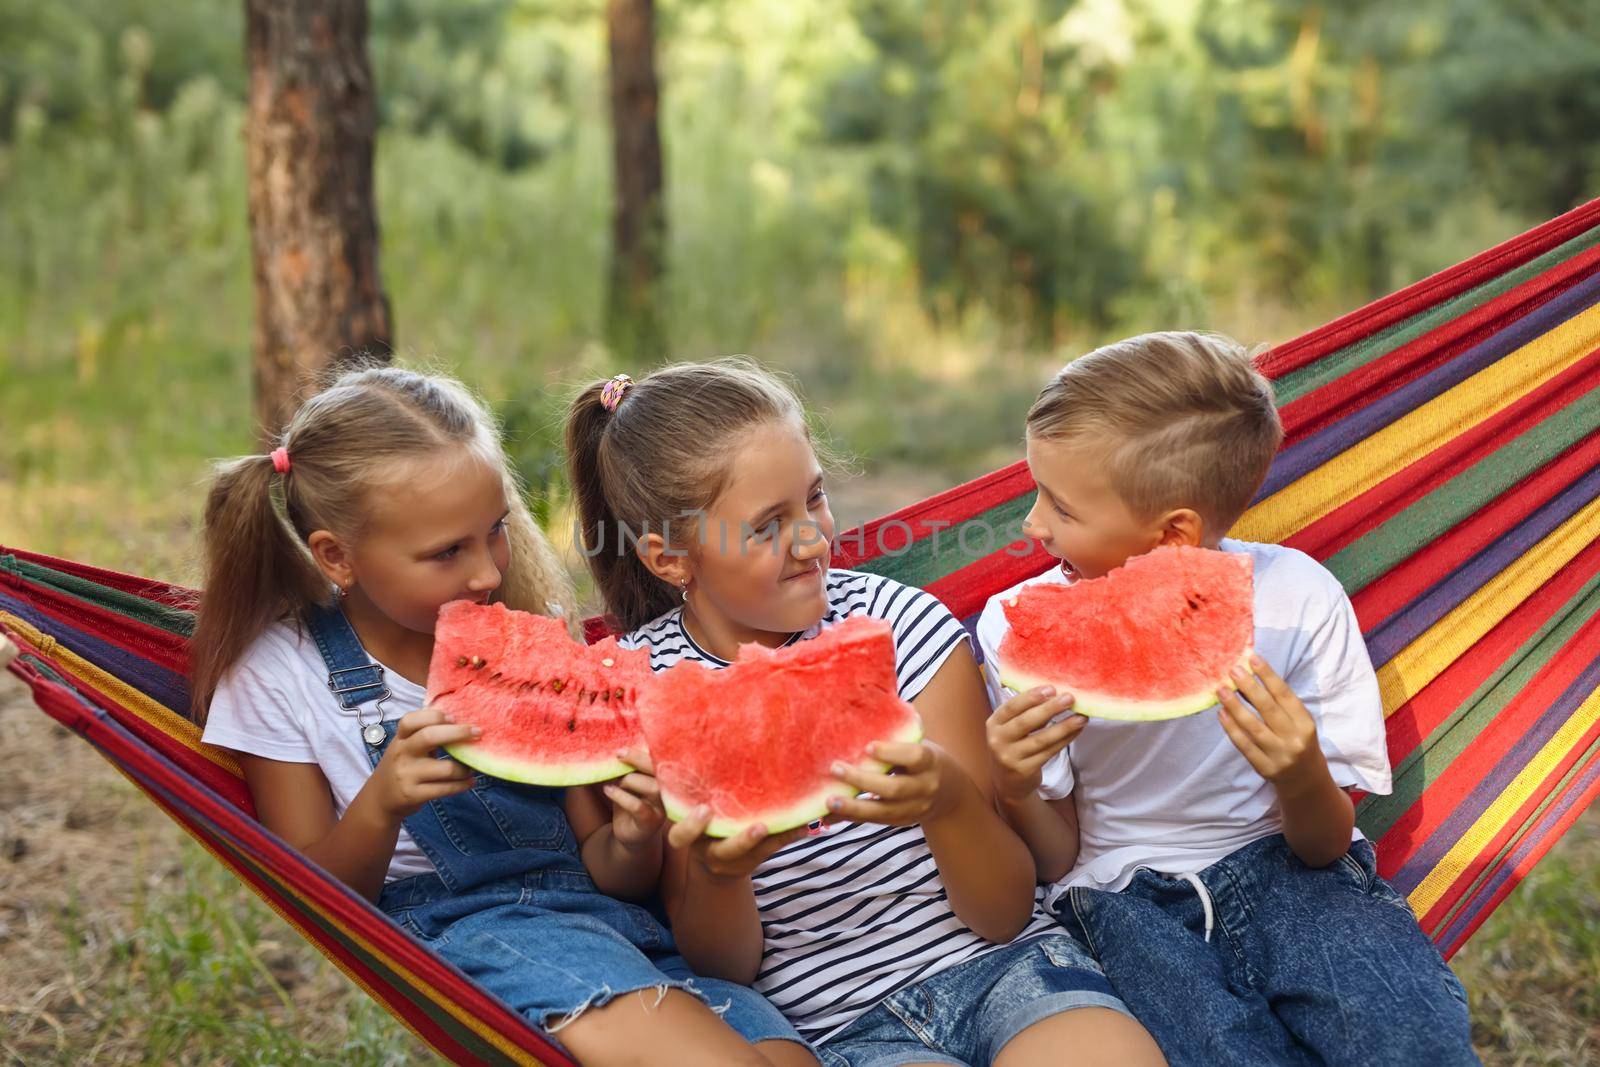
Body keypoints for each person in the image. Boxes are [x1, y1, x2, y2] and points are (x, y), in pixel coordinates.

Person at [192, 364, 813, 1066]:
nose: (487, 572)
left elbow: (604, 869)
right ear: (337, 556)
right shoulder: (280, 673)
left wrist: (636, 835)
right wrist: (381, 801)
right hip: (481, 931)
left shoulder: (529, 642)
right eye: (447, 552)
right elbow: (315, 898)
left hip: (625, 926)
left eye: (496, 531)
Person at [566, 359, 1166, 1067]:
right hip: (844, 1030)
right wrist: (719, 873)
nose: (816, 538)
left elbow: (1004, 909)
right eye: (768, 527)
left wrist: (948, 802)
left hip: (1013, 969)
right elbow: (723, 966)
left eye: (814, 498)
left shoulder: (903, 626)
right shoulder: (644, 692)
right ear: (671, 559)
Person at [979, 331, 1477, 1067]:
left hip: (1296, 873)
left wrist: (1300, 769)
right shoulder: (1014, 623)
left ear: (1174, 532)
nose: (1032, 524)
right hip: (1123, 900)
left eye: (1060, 505)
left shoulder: (1299, 597)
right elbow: (1062, 854)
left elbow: (1325, 841)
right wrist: (1016, 785)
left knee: (1414, 1040)